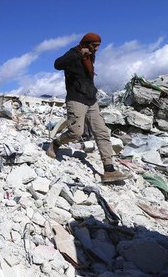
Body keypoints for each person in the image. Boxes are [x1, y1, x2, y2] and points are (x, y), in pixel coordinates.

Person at [48, 32, 131, 183]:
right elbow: (57, 64)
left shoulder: (90, 56)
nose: (97, 49)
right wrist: (79, 54)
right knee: (76, 132)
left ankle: (109, 169)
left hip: (91, 99)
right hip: (76, 99)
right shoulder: (74, 53)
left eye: (98, 46)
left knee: (102, 132)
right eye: (94, 45)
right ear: (86, 43)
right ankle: (55, 143)